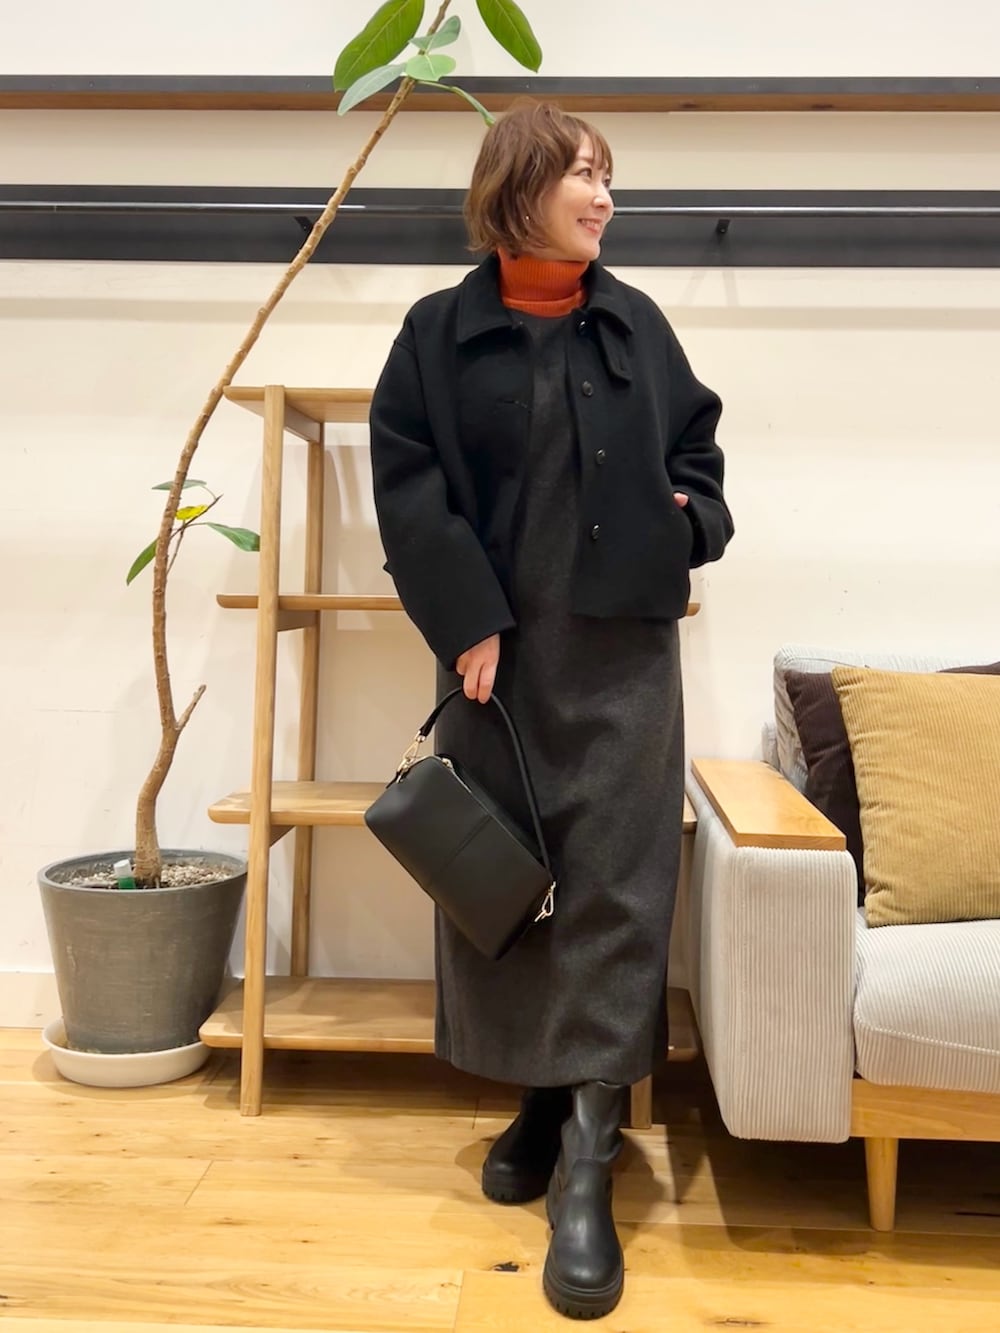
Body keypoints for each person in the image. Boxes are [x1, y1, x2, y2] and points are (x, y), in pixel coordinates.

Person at [369, 99, 733, 1321]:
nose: (605, 196)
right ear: (517, 185)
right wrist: (463, 617)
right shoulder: (436, 333)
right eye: (583, 172)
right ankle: (536, 1094)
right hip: (494, 654)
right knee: (510, 888)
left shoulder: (636, 323)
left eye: (608, 176)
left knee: (617, 890)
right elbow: (408, 483)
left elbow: (700, 456)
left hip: (623, 657)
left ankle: (587, 1156)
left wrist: (689, 520)